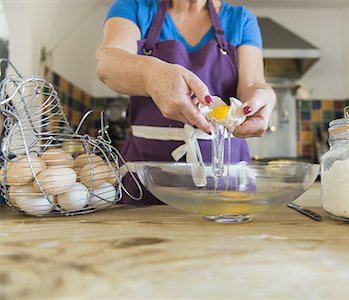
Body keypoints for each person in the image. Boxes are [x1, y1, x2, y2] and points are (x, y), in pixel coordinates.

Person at [96, 0, 276, 205]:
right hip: (143, 182)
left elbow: (253, 83)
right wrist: (151, 75)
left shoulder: (241, 20)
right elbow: (107, 62)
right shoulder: (135, 7)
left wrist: (264, 96)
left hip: (228, 182)